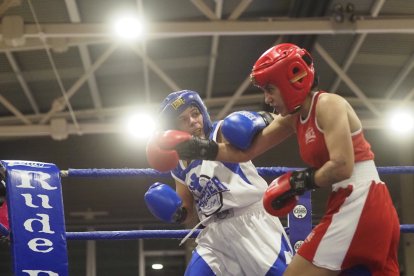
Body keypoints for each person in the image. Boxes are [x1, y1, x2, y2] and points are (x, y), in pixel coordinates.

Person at [153, 44, 401, 276]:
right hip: (345, 200)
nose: (268, 99)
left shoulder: (328, 104)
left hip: (361, 200)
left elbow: (342, 165)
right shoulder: (292, 119)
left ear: (291, 80)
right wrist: (198, 149)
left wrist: (298, 182)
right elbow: (243, 153)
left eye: (270, 90)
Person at [145, 90, 293, 276]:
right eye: (183, 119)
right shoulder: (179, 166)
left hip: (251, 221)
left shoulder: (221, 132)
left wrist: (260, 119)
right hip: (214, 233)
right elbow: (189, 215)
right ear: (173, 128)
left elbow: (280, 121)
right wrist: (176, 213)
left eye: (195, 113)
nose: (192, 121)